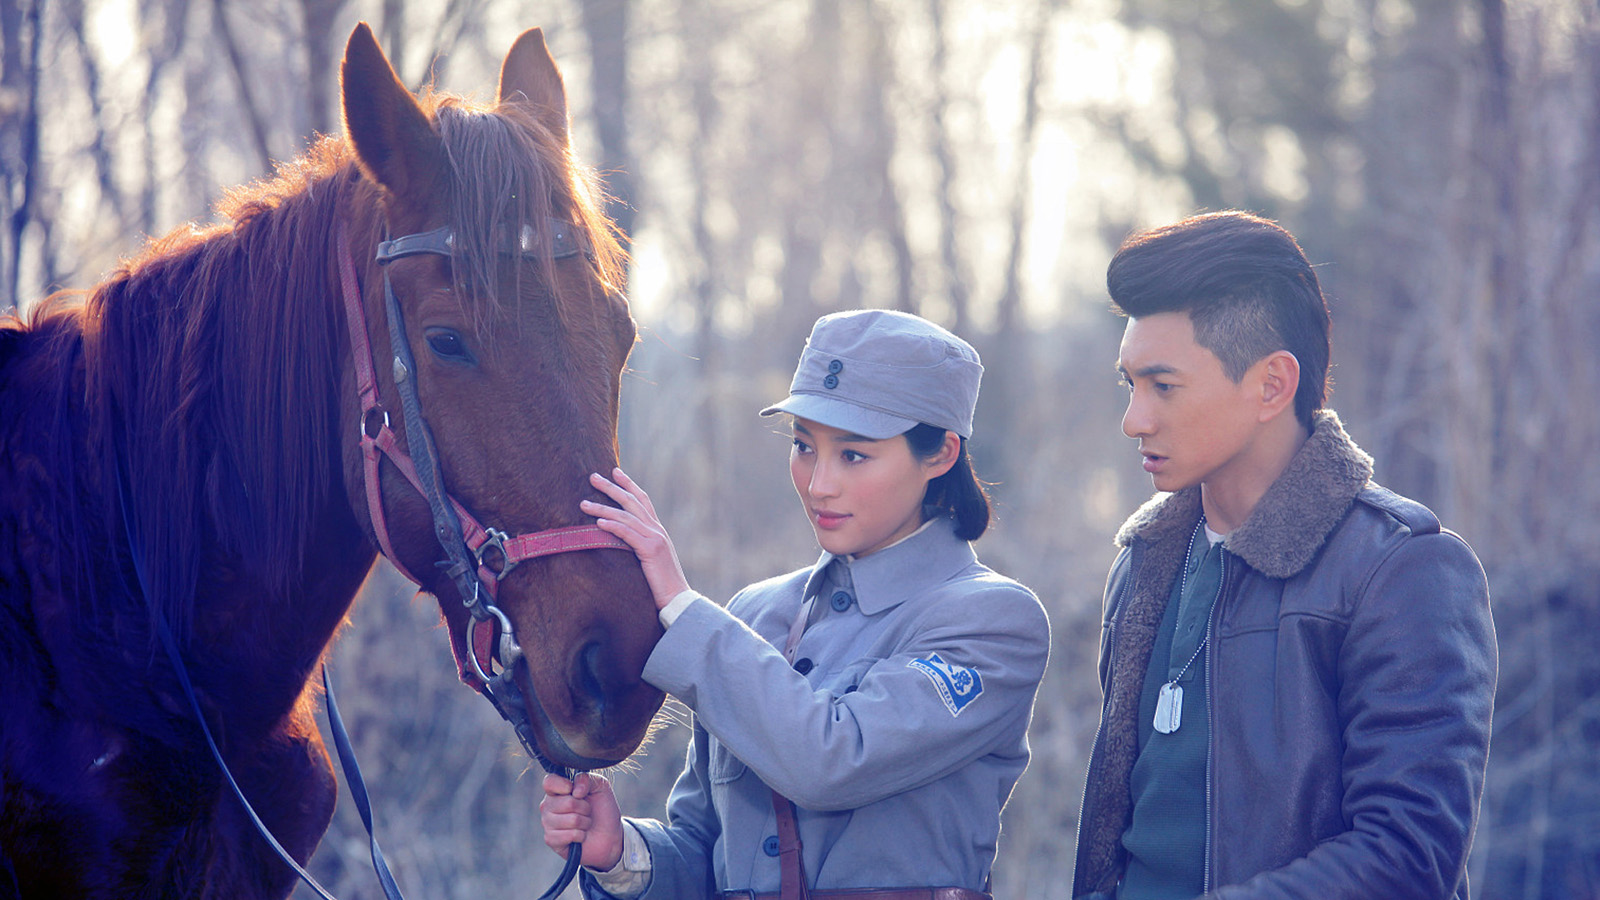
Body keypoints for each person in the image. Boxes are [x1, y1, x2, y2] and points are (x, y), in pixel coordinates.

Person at [540, 309, 1050, 900]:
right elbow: (705, 852)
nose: (818, 484)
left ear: (940, 455)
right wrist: (622, 854)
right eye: (804, 446)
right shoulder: (754, 615)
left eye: (853, 455)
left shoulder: (993, 622)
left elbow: (831, 760)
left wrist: (680, 605)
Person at [1072, 210, 1496, 899]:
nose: (1134, 419)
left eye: (1163, 386)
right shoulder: (1143, 563)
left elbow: (1409, 856)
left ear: (1272, 384)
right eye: (1130, 385)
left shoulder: (1400, 569)